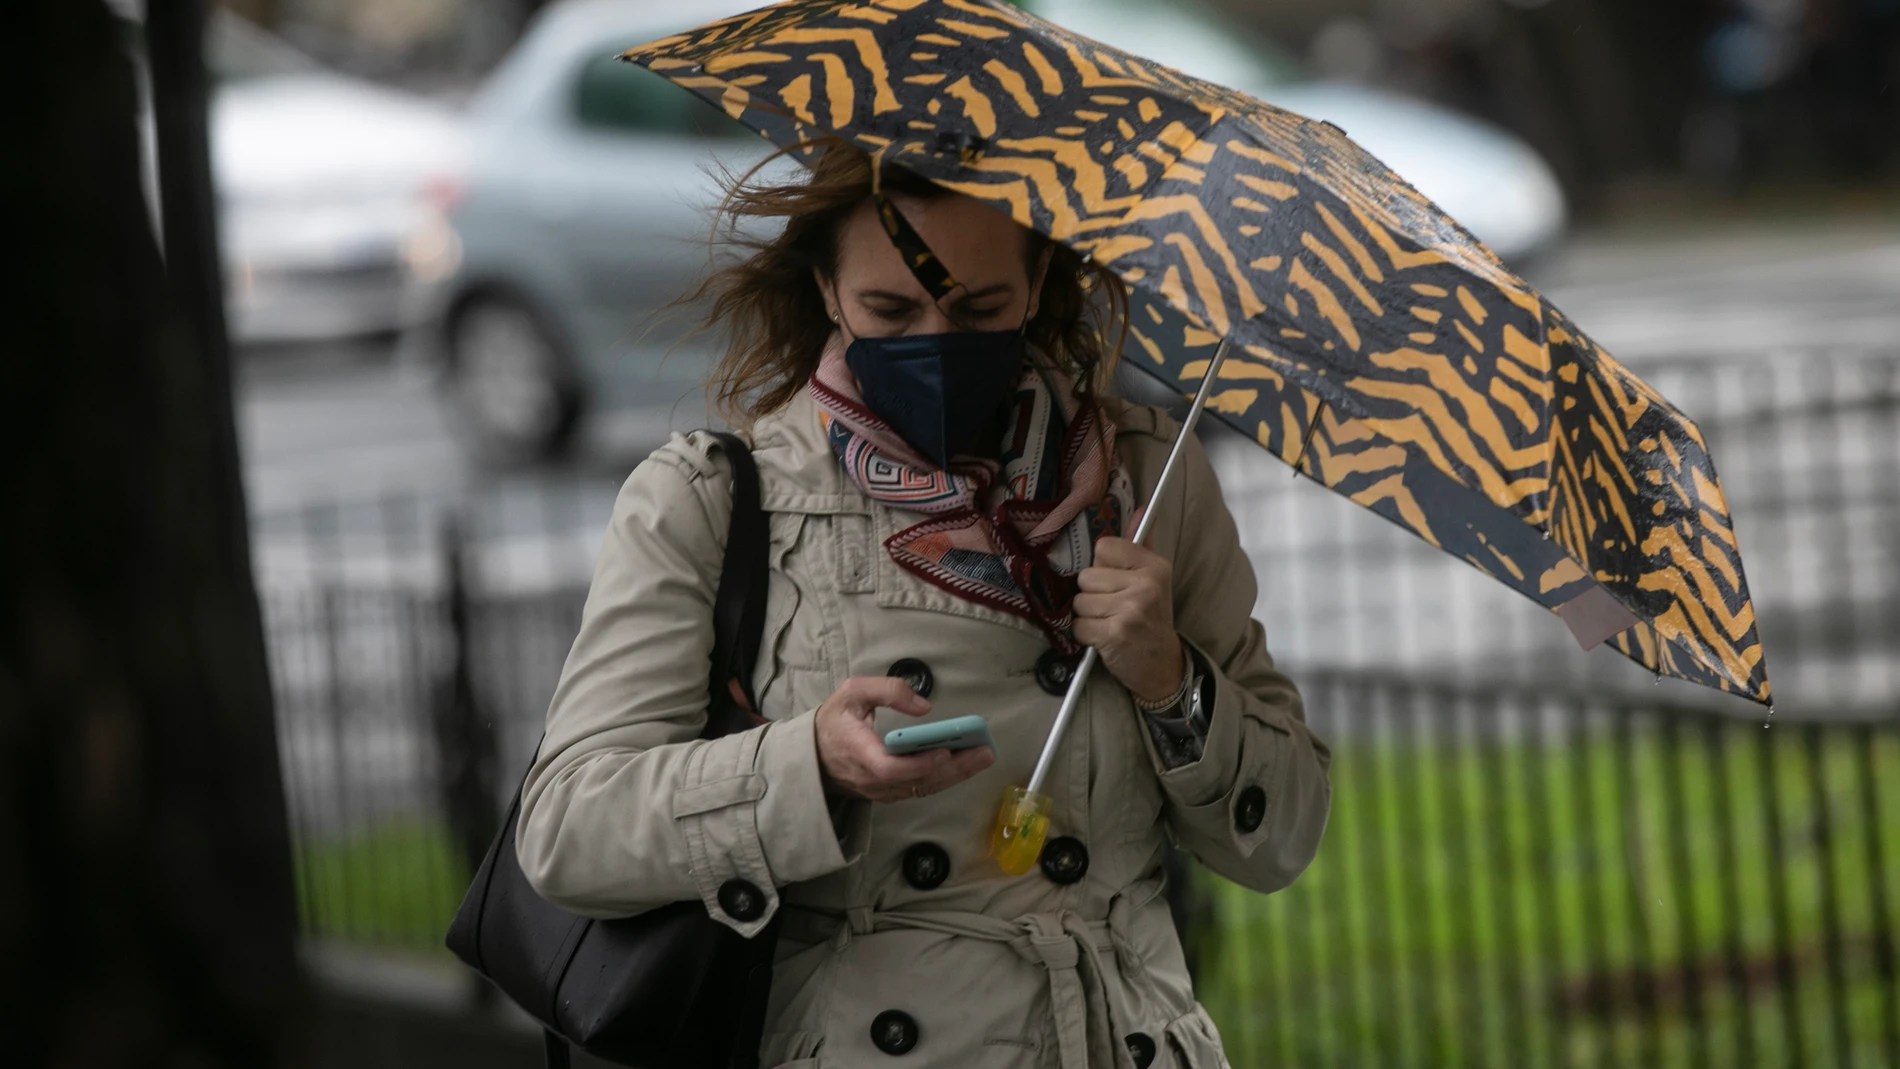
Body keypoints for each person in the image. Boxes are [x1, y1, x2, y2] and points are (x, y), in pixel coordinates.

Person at [514, 143, 1332, 1069]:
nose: (936, 345)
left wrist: (1171, 681)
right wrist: (807, 765)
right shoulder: (711, 500)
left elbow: (1285, 838)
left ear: (1038, 285)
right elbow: (567, 828)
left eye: (979, 308)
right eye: (890, 310)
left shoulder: (1153, 482)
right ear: (827, 290)